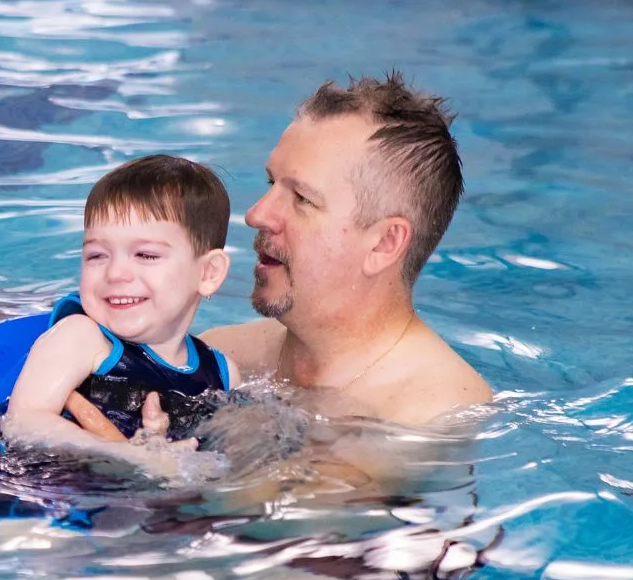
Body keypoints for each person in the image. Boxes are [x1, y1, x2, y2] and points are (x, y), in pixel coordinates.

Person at [89, 72, 491, 452]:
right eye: (271, 184)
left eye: (302, 199)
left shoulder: (432, 414)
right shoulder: (222, 358)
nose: (257, 214)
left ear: (384, 243)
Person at [0, 155, 237, 475]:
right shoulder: (82, 338)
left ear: (208, 272)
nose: (116, 272)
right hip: (31, 487)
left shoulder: (222, 373)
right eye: (97, 255)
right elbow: (23, 422)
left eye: (146, 255)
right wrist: (126, 455)